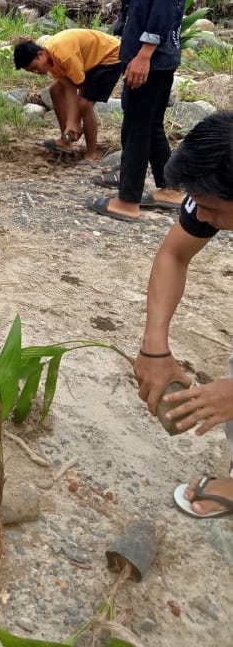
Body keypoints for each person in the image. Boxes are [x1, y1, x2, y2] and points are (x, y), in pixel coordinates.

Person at [133, 112, 233, 518]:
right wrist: (154, 348)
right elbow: (174, 254)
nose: (200, 215)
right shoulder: (214, 191)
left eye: (210, 208)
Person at [88, 0, 191, 223]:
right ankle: (170, 188)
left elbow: (164, 6)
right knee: (149, 125)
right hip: (145, 53)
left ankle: (128, 201)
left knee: (136, 126)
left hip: (153, 57)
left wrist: (144, 54)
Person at [13, 28, 122, 163]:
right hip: (89, 60)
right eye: (31, 71)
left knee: (85, 104)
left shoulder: (63, 55)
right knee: (55, 91)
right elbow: (69, 86)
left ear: (40, 55)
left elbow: (81, 86)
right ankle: (66, 141)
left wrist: (74, 122)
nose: (35, 72)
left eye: (34, 67)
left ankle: (90, 155)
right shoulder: (50, 59)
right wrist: (71, 123)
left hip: (110, 56)